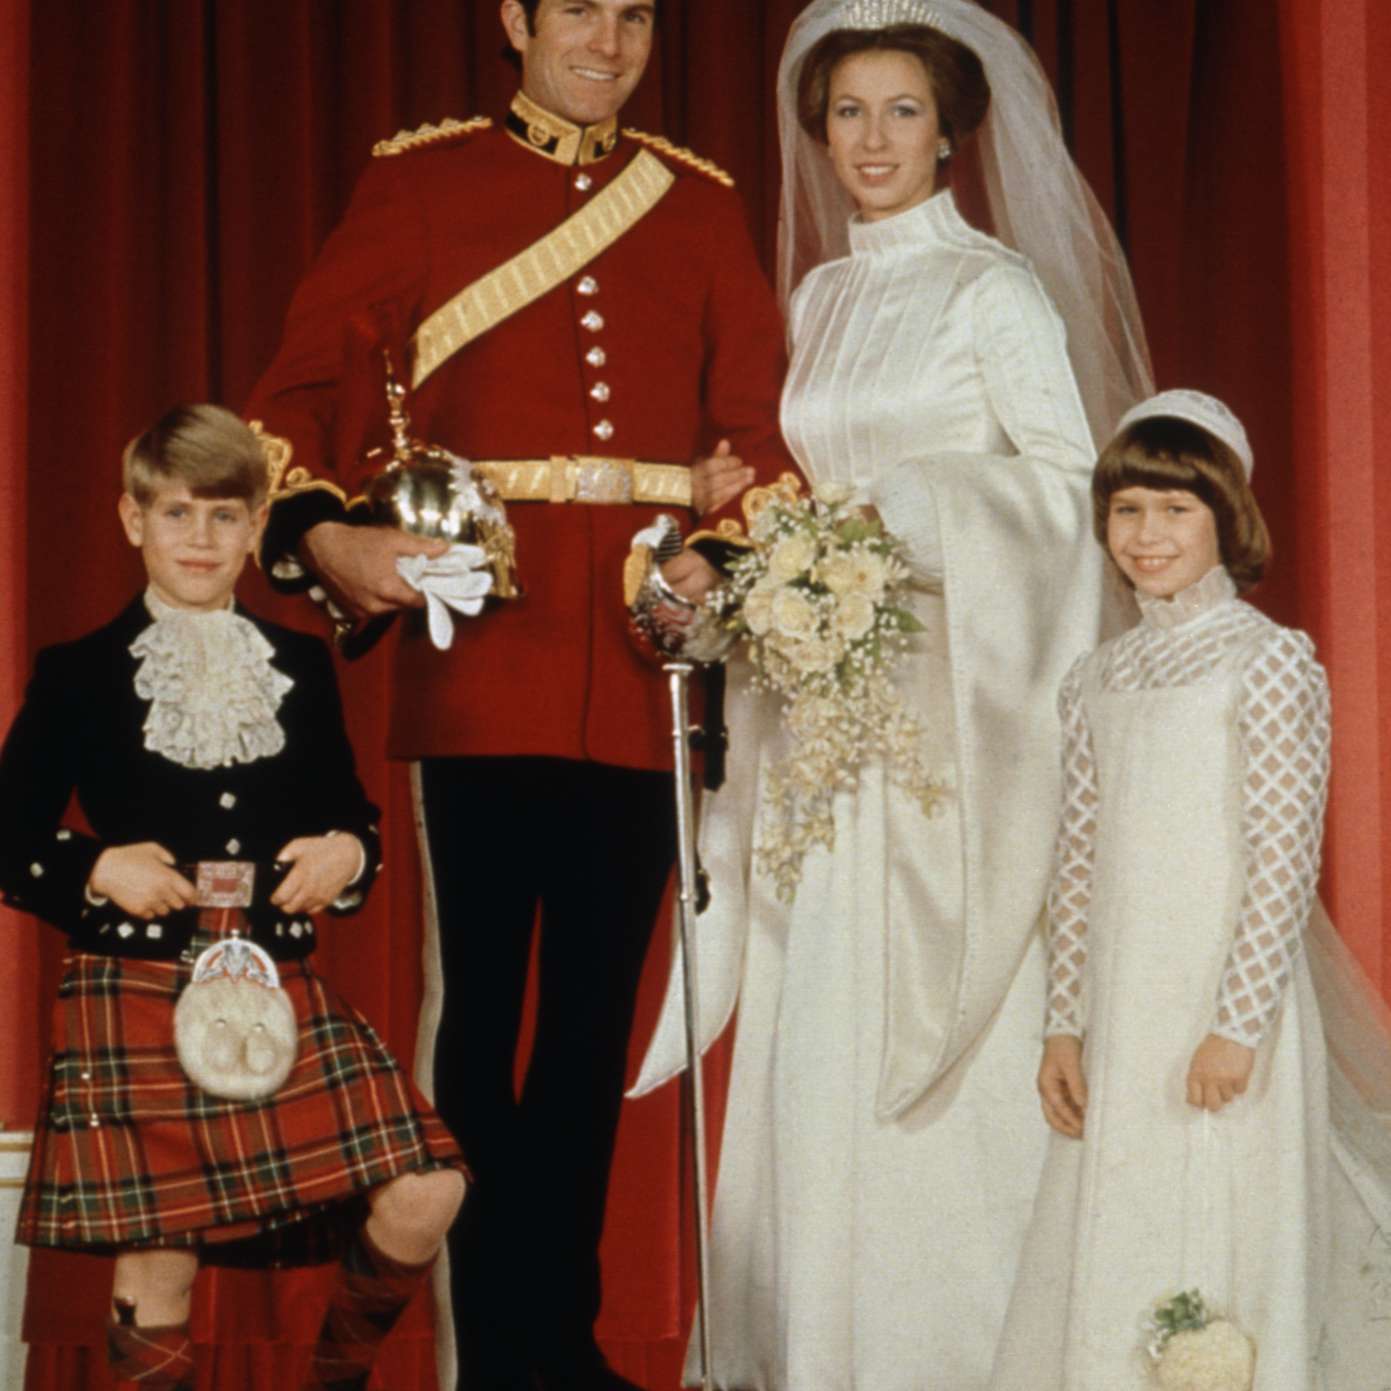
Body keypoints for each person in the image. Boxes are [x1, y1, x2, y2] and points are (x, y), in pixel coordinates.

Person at [243, 2, 795, 1386]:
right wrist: (326, 536)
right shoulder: (421, 181)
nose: (607, 40)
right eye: (578, 10)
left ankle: (562, 1342)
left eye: (633, 14)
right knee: (480, 1022)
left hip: (641, 665)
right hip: (481, 656)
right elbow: (291, 400)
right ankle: (493, 1355)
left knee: (592, 1028)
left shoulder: (700, 203)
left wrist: (715, 555)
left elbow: (760, 433)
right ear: (515, 20)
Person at [632, 2, 1152, 1388]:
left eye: (901, 112)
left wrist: (901, 515)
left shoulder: (993, 290)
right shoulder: (818, 298)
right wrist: (757, 540)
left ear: (949, 134)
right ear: (817, 132)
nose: (871, 140)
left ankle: (961, 1345)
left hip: (951, 715)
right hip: (820, 707)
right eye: (847, 112)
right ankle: (815, 1343)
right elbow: (791, 477)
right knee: (820, 1002)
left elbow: (1067, 492)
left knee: (937, 999)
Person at [0, 405, 467, 1391]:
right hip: (132, 974)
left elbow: (352, 816)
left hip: (269, 974)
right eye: (177, 513)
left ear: (257, 526)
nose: (201, 538)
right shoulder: (80, 672)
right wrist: (95, 866)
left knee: (425, 1189)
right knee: (159, 1251)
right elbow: (7, 834)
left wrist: (349, 851)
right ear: (133, 519)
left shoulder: (297, 665)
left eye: (224, 516)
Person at [990, 391, 1391, 1390]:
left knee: (1222, 1217)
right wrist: (1062, 1024)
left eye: (1175, 508)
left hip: (1221, 1004)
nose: (1147, 533)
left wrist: (1236, 1024)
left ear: (1224, 517)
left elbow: (1281, 857)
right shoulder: (1096, 677)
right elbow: (1075, 863)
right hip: (1122, 1009)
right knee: (1121, 1213)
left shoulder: (1266, 660)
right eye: (1126, 509)